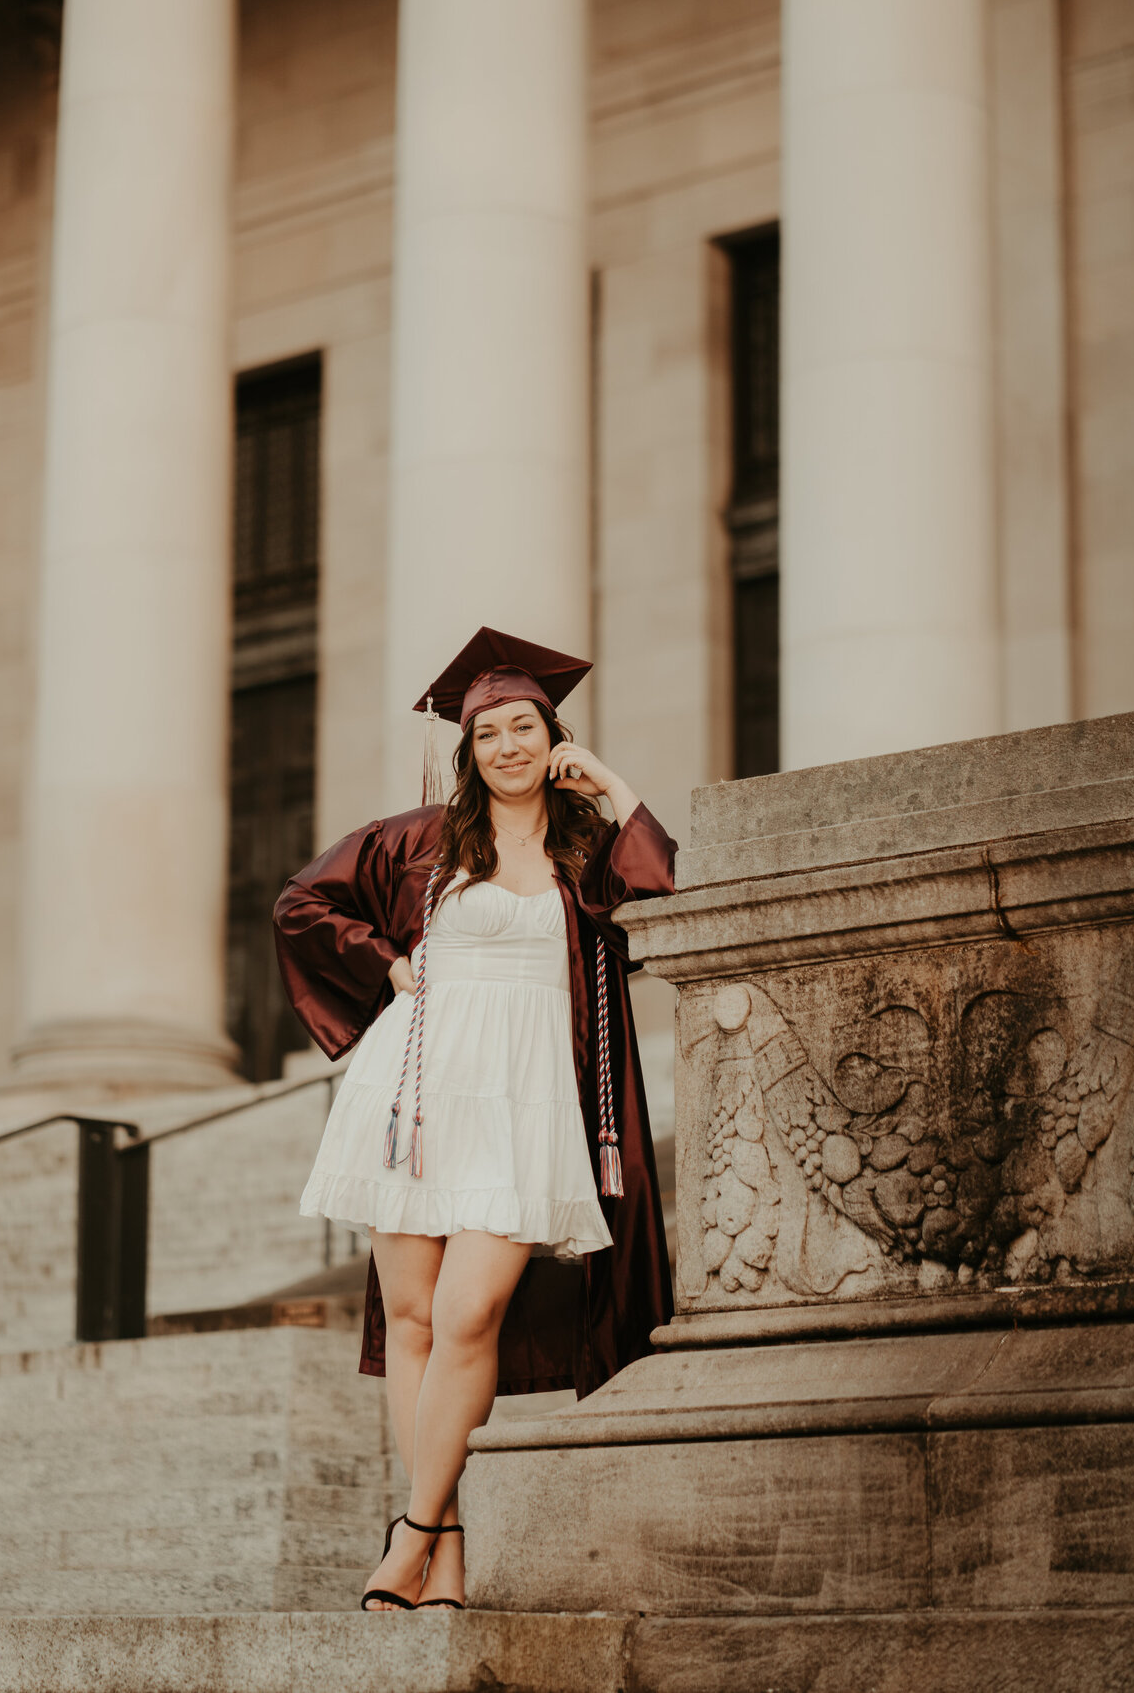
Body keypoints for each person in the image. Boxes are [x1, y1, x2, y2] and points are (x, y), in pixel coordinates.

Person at [273, 626, 675, 1613]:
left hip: (523, 1101)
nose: (506, 744)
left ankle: (409, 1529)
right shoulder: (421, 840)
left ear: (552, 736)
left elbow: (667, 887)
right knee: (411, 1318)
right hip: (413, 1093)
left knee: (468, 1314)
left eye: (524, 725)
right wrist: (385, 961)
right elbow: (300, 902)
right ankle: (441, 1548)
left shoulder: (585, 846)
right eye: (487, 730)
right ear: (468, 748)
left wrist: (614, 787)